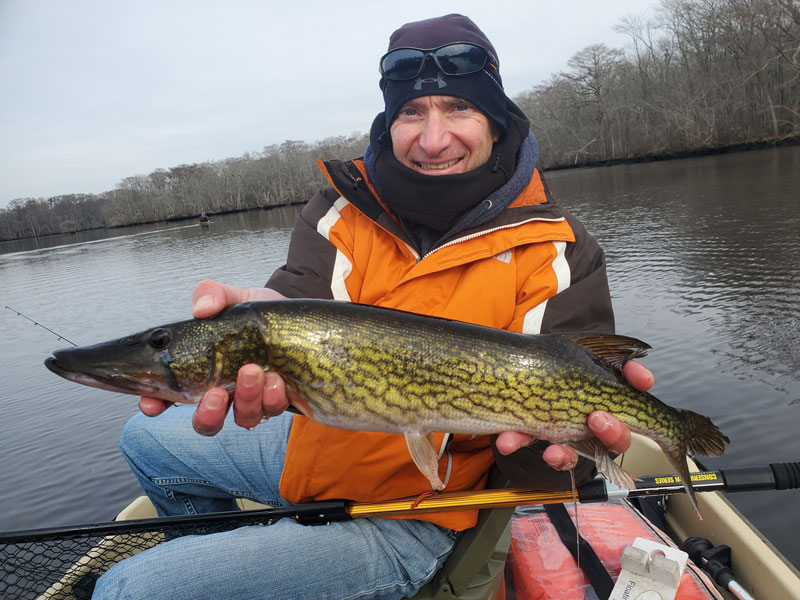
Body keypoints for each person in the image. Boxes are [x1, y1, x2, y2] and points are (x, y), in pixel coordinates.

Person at [93, 13, 653, 600]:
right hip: (315, 456)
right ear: (390, 122)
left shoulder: (559, 249)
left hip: (418, 512)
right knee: (144, 438)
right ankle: (253, 562)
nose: (433, 140)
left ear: (496, 119)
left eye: (458, 109)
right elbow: (295, 296)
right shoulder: (339, 208)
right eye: (412, 112)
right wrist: (273, 310)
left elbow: (545, 473)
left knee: (127, 589)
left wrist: (564, 450)